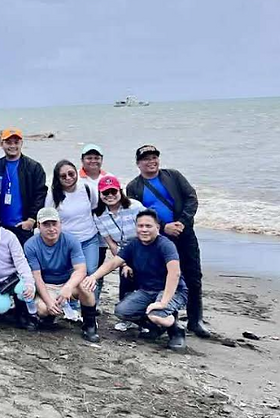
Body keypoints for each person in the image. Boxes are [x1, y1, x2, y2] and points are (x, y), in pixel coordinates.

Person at [126, 144, 209, 338]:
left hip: (184, 234)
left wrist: (181, 223)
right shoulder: (134, 187)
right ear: (138, 163)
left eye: (154, 157)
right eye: (146, 159)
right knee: (165, 278)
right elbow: (138, 214)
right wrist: (163, 227)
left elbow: (191, 198)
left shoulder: (173, 176)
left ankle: (196, 319)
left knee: (193, 276)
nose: (151, 161)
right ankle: (169, 318)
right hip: (158, 239)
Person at [82, 210, 188, 350]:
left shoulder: (166, 245)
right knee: (121, 311)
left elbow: (174, 273)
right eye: (140, 226)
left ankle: (176, 330)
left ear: (158, 227)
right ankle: (155, 327)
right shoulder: (134, 244)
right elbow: (113, 263)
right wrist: (93, 277)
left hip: (173, 291)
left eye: (148, 226)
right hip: (147, 291)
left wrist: (163, 302)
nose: (144, 229)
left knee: (156, 315)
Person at [24, 207, 99, 342]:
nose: (51, 228)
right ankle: (50, 316)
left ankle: (89, 325)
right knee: (42, 309)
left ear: (60, 224)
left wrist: (69, 286)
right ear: (38, 226)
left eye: (54, 224)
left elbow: (81, 270)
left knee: (86, 285)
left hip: (67, 281)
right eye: (46, 224)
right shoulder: (31, 245)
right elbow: (37, 277)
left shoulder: (71, 240)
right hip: (47, 284)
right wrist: (48, 300)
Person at [45, 159, 101, 304]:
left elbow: (95, 207)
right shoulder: (53, 195)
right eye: (63, 176)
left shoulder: (87, 188)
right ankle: (73, 306)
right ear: (57, 178)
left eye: (71, 174)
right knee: (72, 275)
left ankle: (91, 305)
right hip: (67, 242)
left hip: (89, 238)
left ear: (76, 173)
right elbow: (48, 216)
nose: (68, 178)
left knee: (90, 273)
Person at [93, 175, 143, 327]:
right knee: (126, 280)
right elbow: (111, 244)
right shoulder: (99, 214)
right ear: (100, 195)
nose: (110, 195)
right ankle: (128, 319)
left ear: (120, 191)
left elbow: (147, 229)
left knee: (144, 282)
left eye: (113, 191)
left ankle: (147, 319)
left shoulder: (135, 207)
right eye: (105, 193)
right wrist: (124, 264)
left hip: (142, 246)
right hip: (123, 250)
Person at [0, 129, 47, 247]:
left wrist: (31, 220)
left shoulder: (33, 167)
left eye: (16, 142)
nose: (12, 146)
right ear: (1, 144)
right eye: (8, 142)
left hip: (23, 227)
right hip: (0, 227)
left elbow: (40, 194)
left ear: (21, 143)